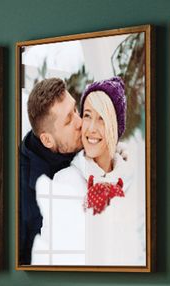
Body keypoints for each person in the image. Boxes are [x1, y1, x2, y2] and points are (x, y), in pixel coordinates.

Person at [42, 77, 144, 265]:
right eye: (87, 115)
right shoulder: (65, 182)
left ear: (115, 126)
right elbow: (52, 257)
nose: (90, 128)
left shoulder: (136, 184)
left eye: (101, 119)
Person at [19, 78, 83, 265]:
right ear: (47, 140)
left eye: (75, 110)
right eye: (69, 120)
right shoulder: (21, 195)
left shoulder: (75, 143)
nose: (80, 122)